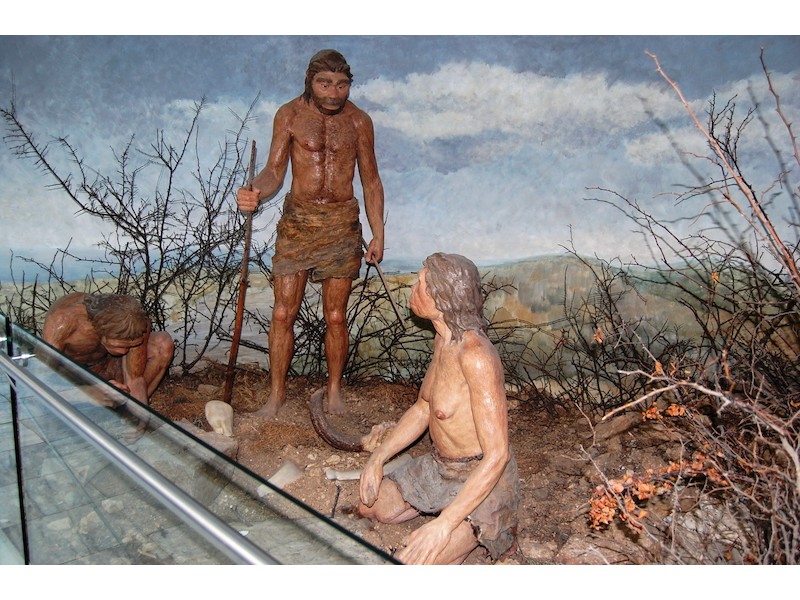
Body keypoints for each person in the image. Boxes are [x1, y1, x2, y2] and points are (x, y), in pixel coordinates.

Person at [237, 49, 385, 417]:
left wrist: (378, 232)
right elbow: (274, 171)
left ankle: (334, 392)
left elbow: (371, 180)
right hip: (299, 222)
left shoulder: (359, 122)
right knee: (282, 313)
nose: (334, 93)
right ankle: (276, 396)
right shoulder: (289, 115)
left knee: (335, 316)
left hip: (341, 222)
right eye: (325, 84)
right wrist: (254, 190)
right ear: (310, 81)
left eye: (342, 85)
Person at [358, 253, 519, 565]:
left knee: (413, 563)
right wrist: (378, 457)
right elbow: (423, 408)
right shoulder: (442, 341)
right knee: (370, 506)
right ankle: (438, 510)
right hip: (440, 468)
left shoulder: (477, 357)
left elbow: (497, 455)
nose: (413, 289)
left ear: (443, 298)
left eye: (421, 284)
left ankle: (476, 526)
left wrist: (444, 526)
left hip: (481, 477)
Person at [42, 292, 174, 407]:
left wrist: (140, 417)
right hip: (71, 379)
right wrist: (89, 393)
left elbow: (134, 379)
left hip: (107, 369)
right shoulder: (63, 322)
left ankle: (122, 410)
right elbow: (40, 380)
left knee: (162, 344)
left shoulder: (137, 324)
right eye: (119, 346)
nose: (124, 352)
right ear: (101, 332)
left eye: (130, 346)